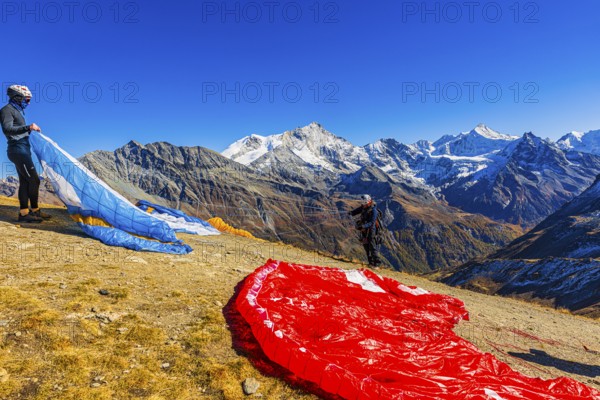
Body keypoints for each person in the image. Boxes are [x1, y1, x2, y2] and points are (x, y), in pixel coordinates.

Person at [0, 85, 51, 223]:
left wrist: (29, 131)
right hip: (17, 151)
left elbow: (18, 130)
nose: (28, 103)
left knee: (24, 182)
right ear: (17, 97)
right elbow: (8, 129)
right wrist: (28, 127)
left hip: (22, 150)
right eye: (26, 100)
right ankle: (29, 212)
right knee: (34, 179)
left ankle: (28, 212)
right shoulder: (6, 110)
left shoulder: (17, 111)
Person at [349, 194, 382, 267]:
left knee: (372, 246)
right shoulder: (364, 207)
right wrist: (351, 213)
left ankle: (376, 264)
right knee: (366, 246)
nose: (363, 205)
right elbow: (357, 211)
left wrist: (362, 226)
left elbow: (372, 222)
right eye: (362, 204)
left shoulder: (374, 211)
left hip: (371, 231)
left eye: (364, 203)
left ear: (368, 202)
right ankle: (370, 262)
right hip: (364, 230)